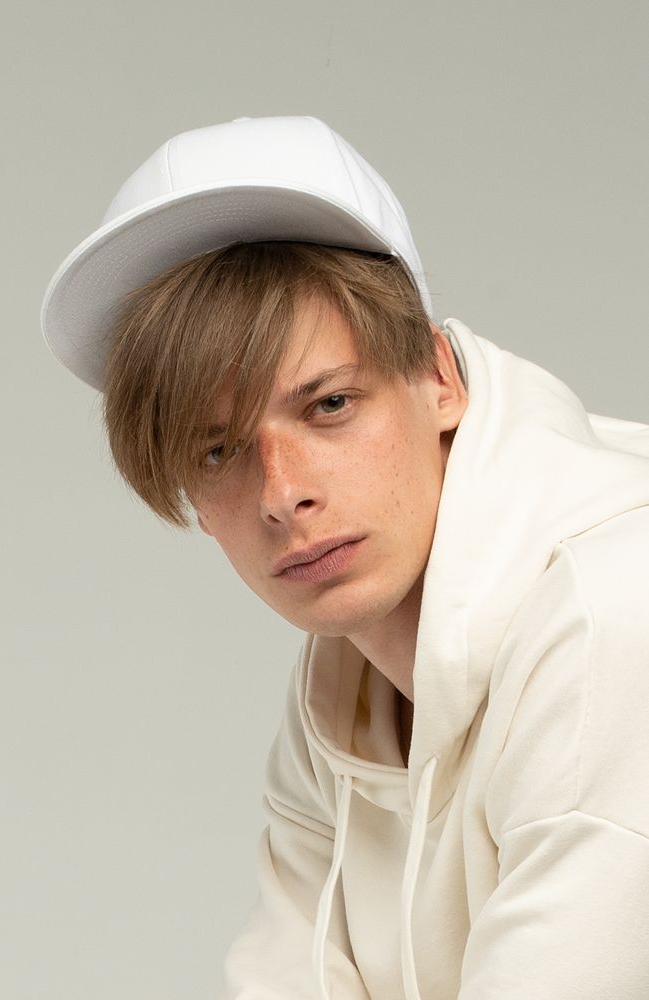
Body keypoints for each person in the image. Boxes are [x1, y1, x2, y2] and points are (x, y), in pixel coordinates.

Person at [41, 116, 649, 999]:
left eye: (327, 405)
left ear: (439, 378)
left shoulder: (611, 617)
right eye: (217, 450)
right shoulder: (339, 700)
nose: (281, 492)